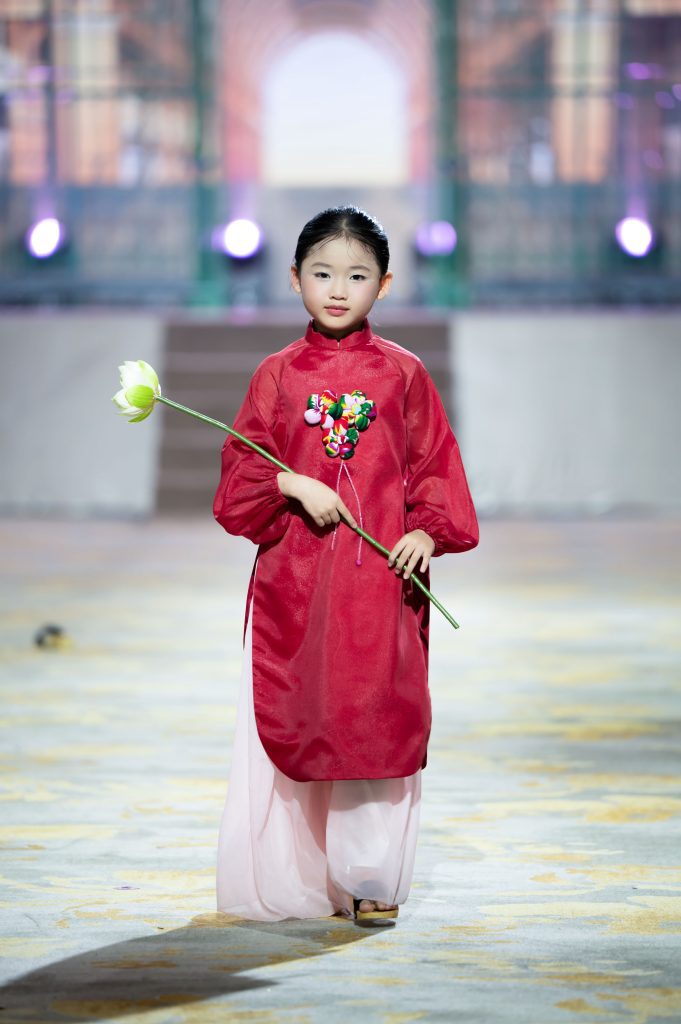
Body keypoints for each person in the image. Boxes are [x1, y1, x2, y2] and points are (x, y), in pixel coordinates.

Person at [213, 206, 478, 923]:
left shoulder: (402, 373)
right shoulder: (275, 375)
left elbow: (434, 467)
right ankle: (303, 882)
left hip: (381, 581)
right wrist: (291, 482)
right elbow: (239, 483)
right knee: (302, 715)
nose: (338, 289)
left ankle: (368, 879)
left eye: (357, 276)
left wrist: (426, 535)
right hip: (295, 582)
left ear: (384, 284)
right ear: (293, 277)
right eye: (322, 273)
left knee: (371, 719)